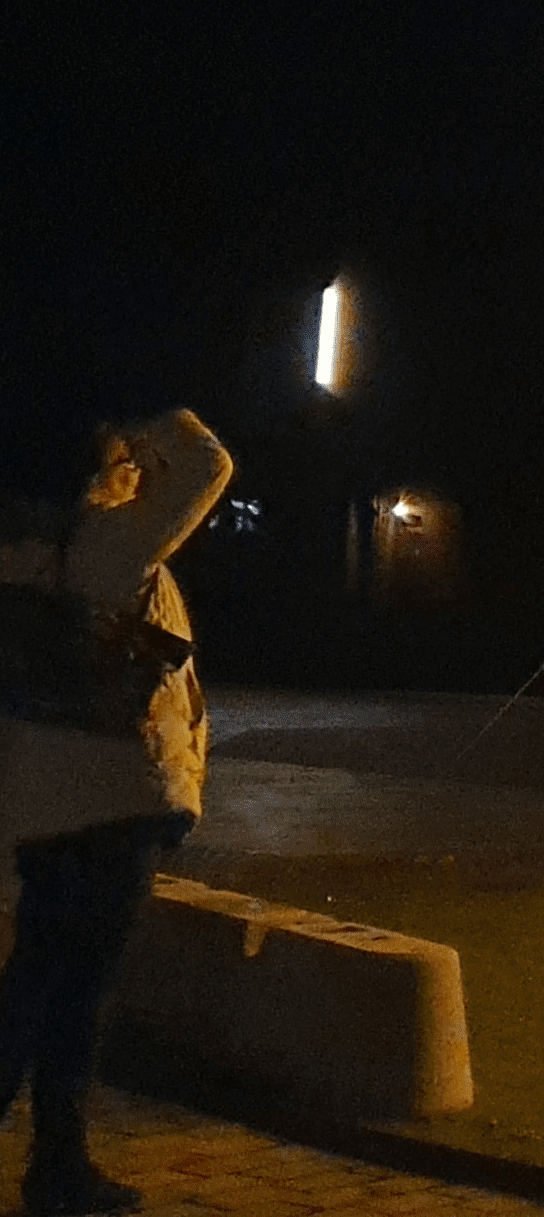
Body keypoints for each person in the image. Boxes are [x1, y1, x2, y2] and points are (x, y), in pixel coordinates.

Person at [0, 410, 234, 1217]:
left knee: (42, 983)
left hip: (39, 809)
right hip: (113, 808)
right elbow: (207, 465)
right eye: (126, 460)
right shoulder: (114, 546)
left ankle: (60, 1164)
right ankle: (57, 1168)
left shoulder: (22, 557)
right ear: (96, 476)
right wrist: (154, 411)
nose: (140, 469)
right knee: (63, 994)